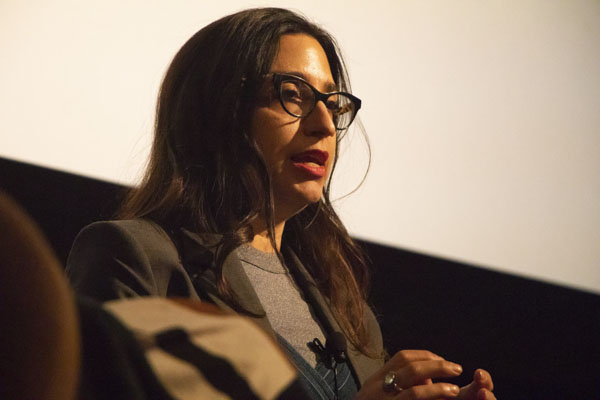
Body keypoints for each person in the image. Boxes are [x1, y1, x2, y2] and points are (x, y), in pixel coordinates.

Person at [67, 7, 496, 400]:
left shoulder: (349, 312)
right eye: (294, 94)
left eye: (332, 102)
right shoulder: (136, 257)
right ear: (220, 109)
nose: (324, 124)